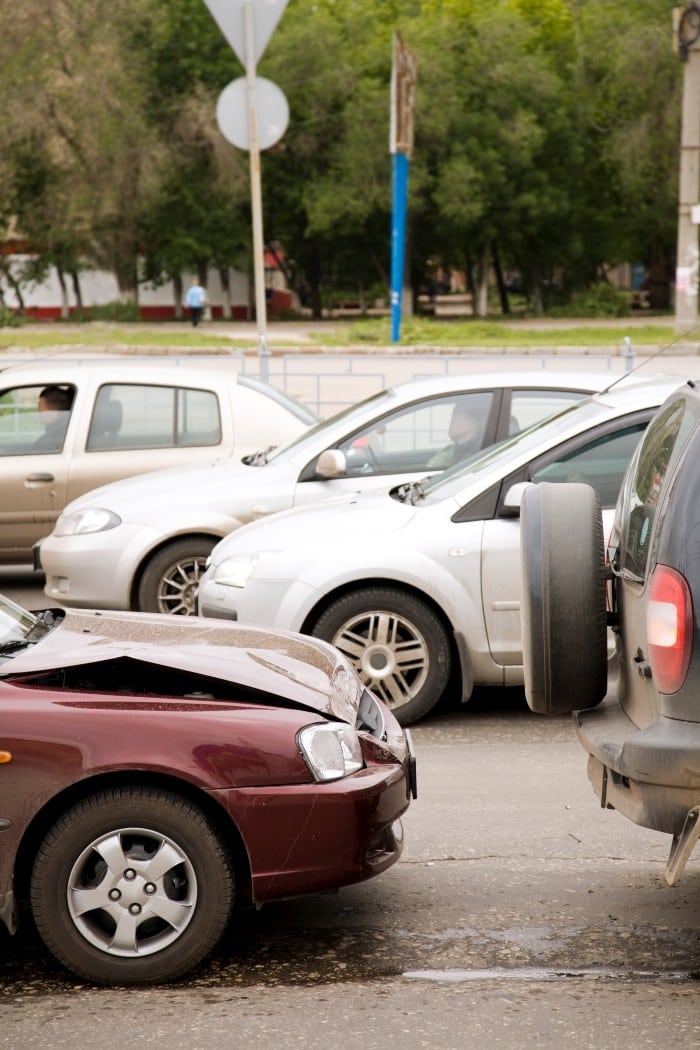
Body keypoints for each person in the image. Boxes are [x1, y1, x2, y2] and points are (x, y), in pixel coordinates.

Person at [427, 399, 481, 469]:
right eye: (453, 413)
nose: (452, 418)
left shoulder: (478, 452)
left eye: (458, 413)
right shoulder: (448, 450)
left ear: (474, 421)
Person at [33, 385, 74, 452]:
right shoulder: (70, 431)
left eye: (41, 410)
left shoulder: (48, 441)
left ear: (53, 412)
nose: (39, 414)